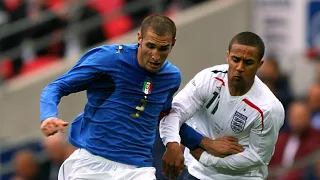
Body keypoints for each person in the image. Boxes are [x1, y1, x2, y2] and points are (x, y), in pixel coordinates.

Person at [39, 14, 181, 180]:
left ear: (173, 44)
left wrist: (176, 144)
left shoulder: (171, 78)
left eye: (163, 48)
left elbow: (165, 115)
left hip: (138, 169)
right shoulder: (109, 59)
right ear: (139, 38)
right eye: (150, 46)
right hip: (91, 164)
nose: (156, 56)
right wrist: (48, 115)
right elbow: (56, 86)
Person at [160, 31, 285, 180]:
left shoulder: (269, 108)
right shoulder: (208, 79)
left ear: (260, 65)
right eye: (235, 59)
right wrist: (173, 144)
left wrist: (206, 158)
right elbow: (173, 113)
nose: (240, 67)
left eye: (248, 62)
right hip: (197, 173)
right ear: (227, 56)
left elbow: (257, 157)